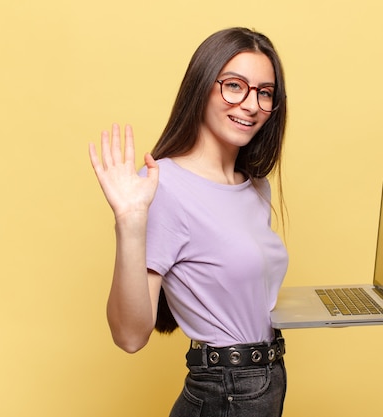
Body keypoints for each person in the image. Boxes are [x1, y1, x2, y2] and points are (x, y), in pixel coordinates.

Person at [89, 27, 289, 417]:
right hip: (225, 392)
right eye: (235, 86)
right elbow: (130, 336)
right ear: (202, 86)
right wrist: (130, 221)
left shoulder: (256, 188)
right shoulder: (164, 186)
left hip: (265, 381)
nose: (251, 104)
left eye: (265, 93)